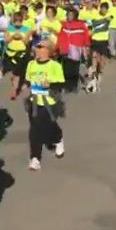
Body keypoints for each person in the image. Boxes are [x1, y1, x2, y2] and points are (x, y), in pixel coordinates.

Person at [25, 39, 66, 171]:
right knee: (35, 130)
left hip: (50, 103)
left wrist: (50, 85)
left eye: (40, 47)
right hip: (35, 102)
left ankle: (58, 138)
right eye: (36, 47)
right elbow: (27, 80)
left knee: (49, 127)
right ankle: (35, 158)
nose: (36, 49)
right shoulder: (31, 64)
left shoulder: (55, 66)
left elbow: (61, 85)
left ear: (48, 50)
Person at [56, 8, 90, 93]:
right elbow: (60, 36)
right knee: (65, 69)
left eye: (71, 15)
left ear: (75, 16)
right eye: (68, 15)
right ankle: (67, 86)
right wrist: (57, 46)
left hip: (76, 49)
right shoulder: (64, 24)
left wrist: (87, 46)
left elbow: (86, 36)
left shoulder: (81, 25)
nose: (69, 16)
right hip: (65, 49)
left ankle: (74, 85)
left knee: (74, 68)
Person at [3, 12, 32, 100]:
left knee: (17, 73)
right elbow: (6, 40)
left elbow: (27, 42)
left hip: (21, 53)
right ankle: (16, 85)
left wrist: (20, 37)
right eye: (16, 20)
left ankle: (14, 89)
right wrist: (12, 37)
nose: (17, 22)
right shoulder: (9, 29)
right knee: (14, 73)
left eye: (19, 20)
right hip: (10, 53)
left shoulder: (26, 29)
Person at [89, 2, 112, 77]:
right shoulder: (95, 15)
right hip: (95, 38)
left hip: (104, 39)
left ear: (107, 10)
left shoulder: (109, 16)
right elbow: (90, 24)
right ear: (100, 8)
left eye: (105, 9)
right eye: (103, 8)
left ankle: (100, 69)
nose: (104, 10)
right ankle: (94, 68)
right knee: (95, 55)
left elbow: (111, 18)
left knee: (102, 56)